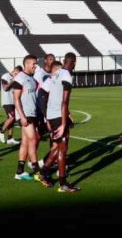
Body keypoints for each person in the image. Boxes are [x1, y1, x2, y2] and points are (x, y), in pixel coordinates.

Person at [11, 56, 52, 187]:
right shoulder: (20, 78)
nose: (36, 66)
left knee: (25, 142)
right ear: (27, 64)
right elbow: (16, 99)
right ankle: (37, 171)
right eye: (34, 64)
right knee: (33, 140)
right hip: (25, 114)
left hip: (32, 114)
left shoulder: (32, 79)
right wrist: (21, 116)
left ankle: (19, 172)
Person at [42, 54, 80, 192]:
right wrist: (64, 123)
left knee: (58, 147)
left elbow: (49, 95)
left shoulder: (57, 74)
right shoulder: (67, 76)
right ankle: (63, 183)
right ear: (74, 63)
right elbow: (64, 102)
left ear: (64, 61)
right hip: (58, 116)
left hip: (52, 115)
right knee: (63, 150)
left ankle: (44, 172)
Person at [34, 53, 55, 138]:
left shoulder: (54, 74)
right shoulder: (40, 72)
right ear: (45, 60)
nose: (52, 61)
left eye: (53, 59)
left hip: (50, 105)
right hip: (39, 105)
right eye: (50, 59)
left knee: (52, 130)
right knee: (39, 133)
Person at [0, 66, 20, 145]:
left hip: (13, 101)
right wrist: (13, 80)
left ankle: (10, 137)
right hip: (6, 101)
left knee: (12, 120)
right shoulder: (5, 76)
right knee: (12, 117)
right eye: (16, 74)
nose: (17, 75)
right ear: (14, 71)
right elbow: (5, 88)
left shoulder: (16, 78)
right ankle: (1, 131)